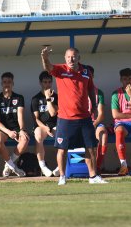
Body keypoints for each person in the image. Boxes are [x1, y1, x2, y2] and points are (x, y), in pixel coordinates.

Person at [41, 47, 107, 185]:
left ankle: (93, 176)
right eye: (68, 57)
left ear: (79, 57)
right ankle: (62, 177)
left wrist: (94, 106)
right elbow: (48, 67)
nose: (71, 59)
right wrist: (45, 57)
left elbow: (90, 89)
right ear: (65, 58)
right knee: (62, 149)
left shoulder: (86, 71)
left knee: (91, 148)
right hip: (65, 118)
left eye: (74, 56)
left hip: (84, 118)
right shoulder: (60, 70)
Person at [0, 72, 28, 177]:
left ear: (13, 83)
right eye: (4, 82)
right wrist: (8, 132)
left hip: (15, 128)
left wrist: (21, 129)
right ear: (1, 84)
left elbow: (20, 116)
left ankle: (8, 165)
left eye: (9, 82)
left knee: (25, 139)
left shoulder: (19, 97)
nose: (7, 84)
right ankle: (14, 167)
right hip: (2, 128)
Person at [31, 71, 60, 177]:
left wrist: (48, 98)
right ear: (40, 83)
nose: (47, 84)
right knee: (38, 134)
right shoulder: (35, 99)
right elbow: (36, 119)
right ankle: (43, 166)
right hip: (42, 126)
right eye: (44, 82)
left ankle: (60, 166)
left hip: (55, 125)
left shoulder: (56, 97)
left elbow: (53, 113)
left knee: (64, 135)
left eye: (49, 82)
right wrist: (45, 127)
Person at [86, 65, 108, 174]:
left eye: (90, 75)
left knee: (103, 133)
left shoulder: (98, 93)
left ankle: (97, 166)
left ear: (93, 76)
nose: (88, 77)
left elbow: (101, 114)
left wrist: (94, 124)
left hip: (95, 123)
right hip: (81, 123)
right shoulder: (78, 90)